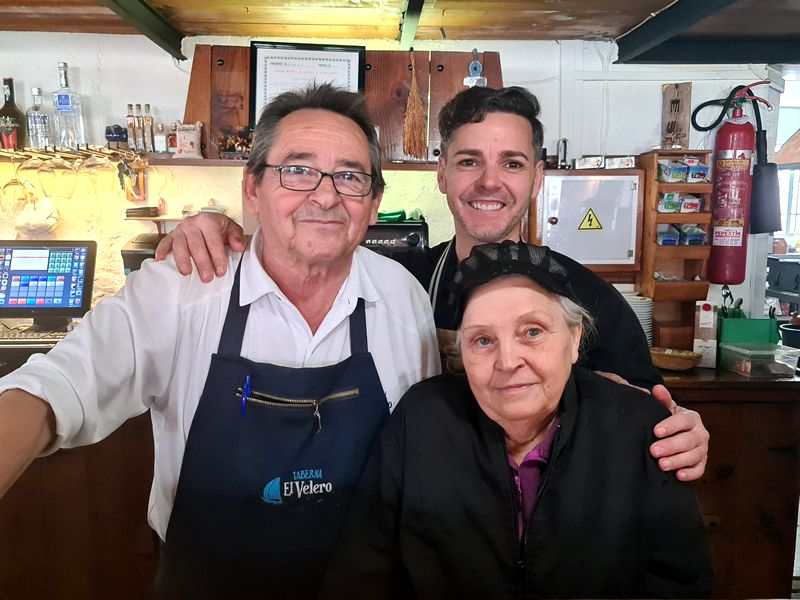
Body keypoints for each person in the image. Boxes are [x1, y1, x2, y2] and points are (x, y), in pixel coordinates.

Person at [0, 84, 439, 596]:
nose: (325, 195)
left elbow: (423, 453)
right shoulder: (183, 286)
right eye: (297, 170)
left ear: (374, 200)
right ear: (252, 189)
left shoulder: (401, 296)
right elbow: (58, 386)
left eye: (349, 176)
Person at [157, 85, 709, 482]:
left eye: (512, 164)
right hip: (424, 529)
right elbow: (300, 250)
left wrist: (682, 433)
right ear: (441, 172)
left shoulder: (593, 302)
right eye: (469, 161)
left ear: (537, 178)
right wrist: (219, 226)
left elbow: (654, 423)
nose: (490, 181)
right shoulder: (398, 284)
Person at [320, 241, 713, 599]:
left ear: (574, 339)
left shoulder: (637, 429)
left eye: (532, 332)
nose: (508, 362)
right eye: (483, 340)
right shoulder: (421, 421)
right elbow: (362, 572)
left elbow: (681, 582)